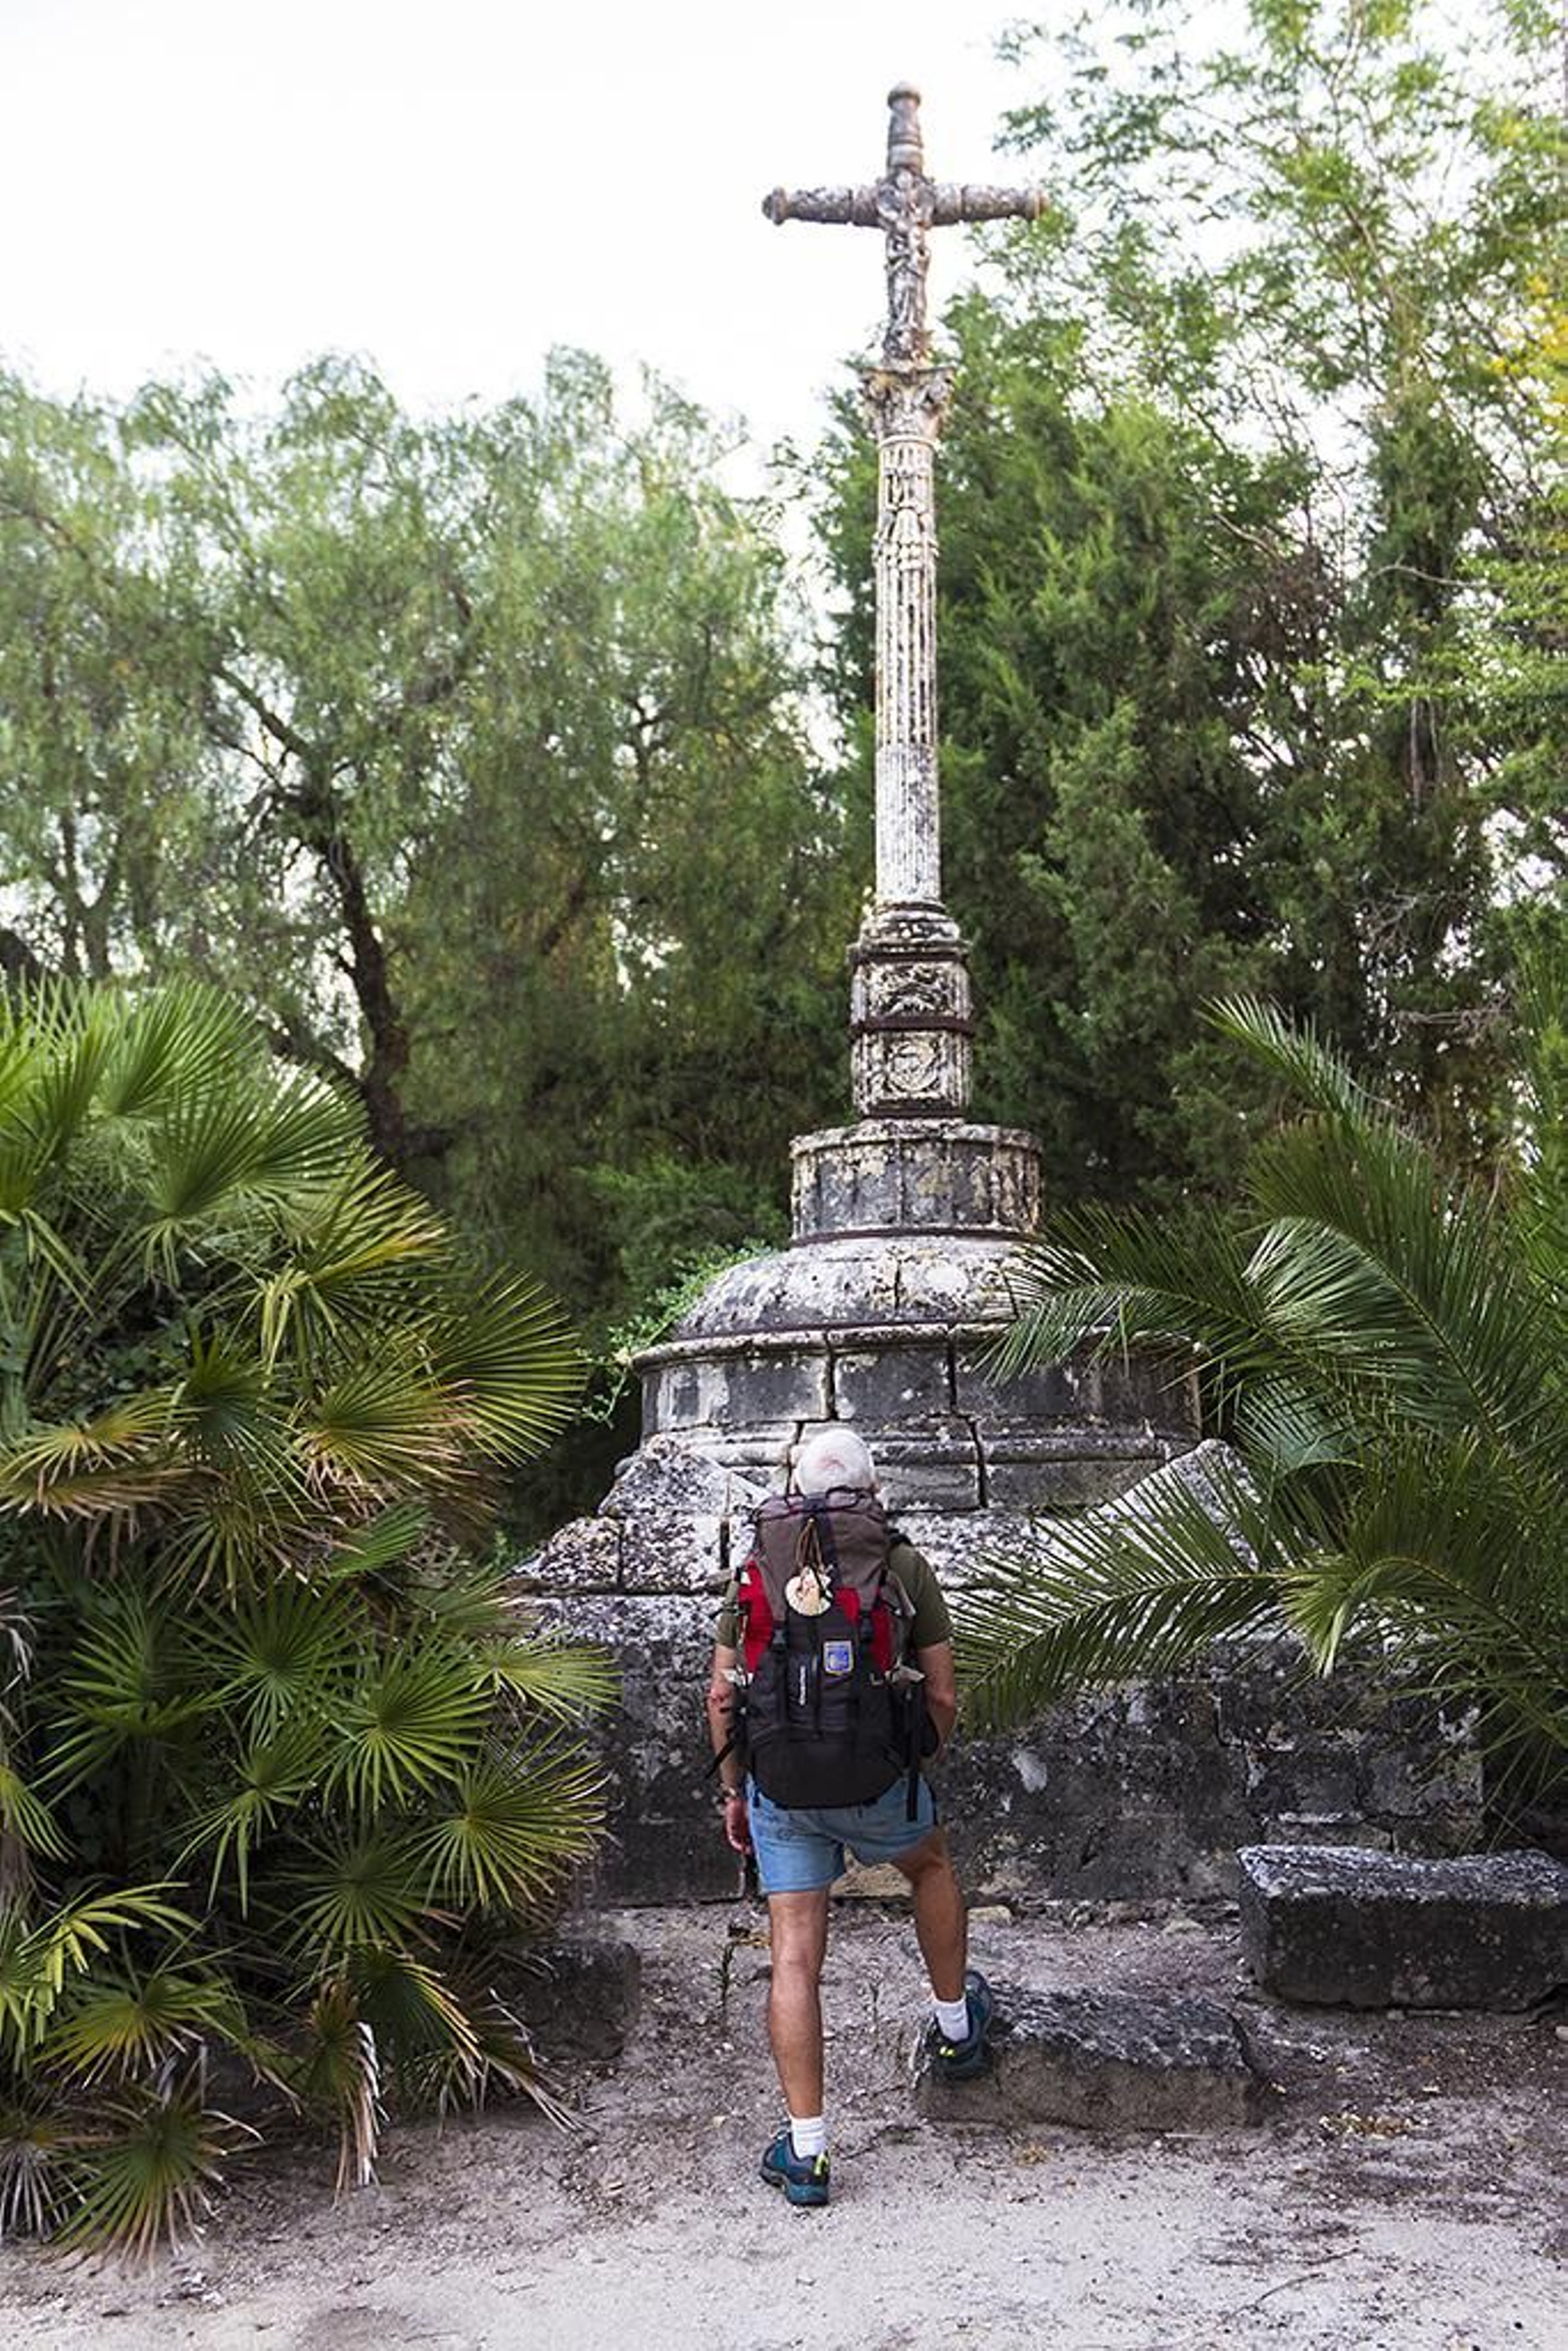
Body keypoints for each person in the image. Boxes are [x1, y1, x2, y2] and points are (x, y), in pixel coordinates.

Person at [706, 1427, 992, 2209]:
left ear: (795, 1490)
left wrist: (736, 1790)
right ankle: (958, 2029)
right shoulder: (899, 1563)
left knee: (794, 1955)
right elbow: (940, 1695)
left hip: (782, 1786)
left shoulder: (755, 1568)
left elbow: (722, 1697)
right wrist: (910, 1763)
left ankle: (808, 2154)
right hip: (877, 1780)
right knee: (928, 1864)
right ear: (869, 1490)